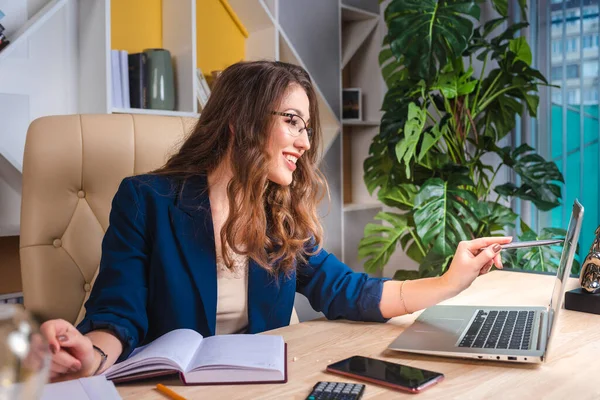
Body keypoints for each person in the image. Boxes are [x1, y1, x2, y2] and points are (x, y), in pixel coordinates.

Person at [39, 61, 511, 381]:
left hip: (259, 388)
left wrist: (451, 281)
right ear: (240, 120)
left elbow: (349, 291)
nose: (305, 142)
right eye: (292, 120)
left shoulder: (277, 215)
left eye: (306, 126)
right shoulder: (146, 200)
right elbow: (117, 314)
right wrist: (90, 354)